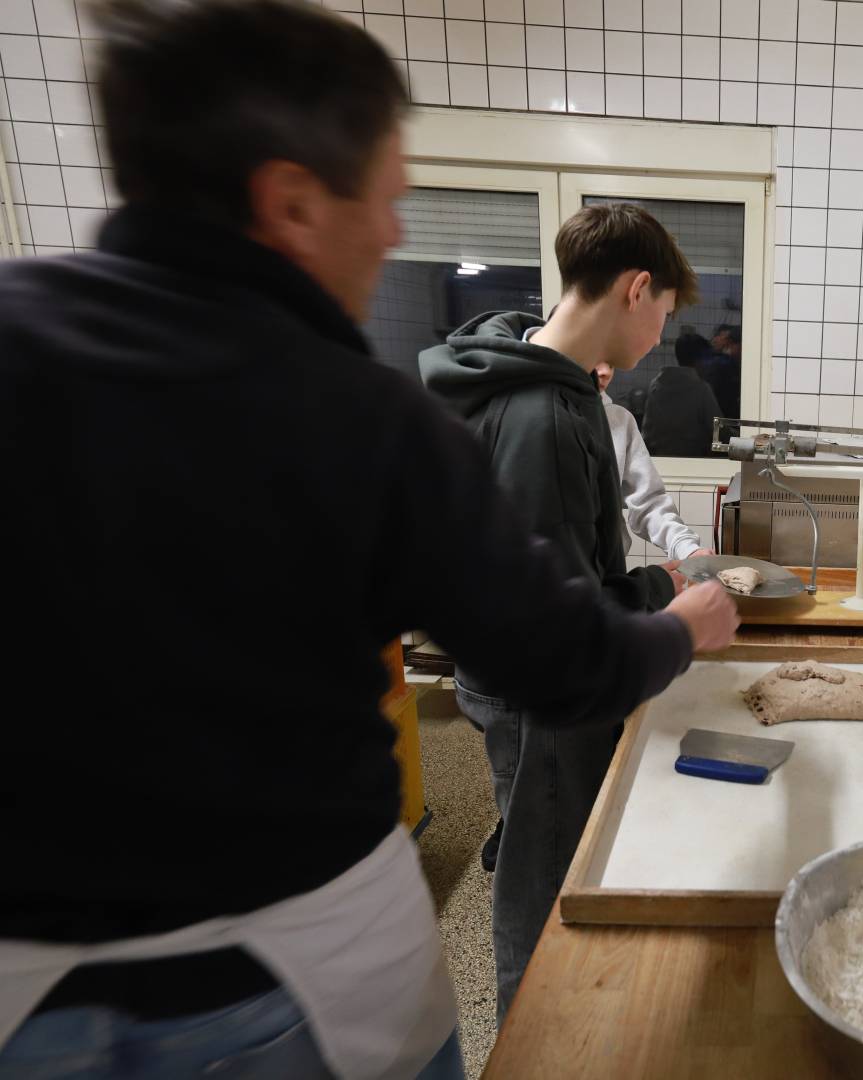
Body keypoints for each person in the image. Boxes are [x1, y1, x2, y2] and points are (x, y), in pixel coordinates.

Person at [0, 3, 738, 1077]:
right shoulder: (350, 411)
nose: (395, 234)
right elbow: (557, 654)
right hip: (293, 979)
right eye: (385, 199)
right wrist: (680, 624)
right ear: (290, 199)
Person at [417, 203, 704, 1020]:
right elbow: (558, 619)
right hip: (541, 701)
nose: (658, 337)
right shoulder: (542, 416)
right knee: (540, 900)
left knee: (549, 859)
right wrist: (669, 598)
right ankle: (531, 1040)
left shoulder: (541, 380)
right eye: (664, 315)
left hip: (516, 680)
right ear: (637, 289)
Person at [594, 362, 714, 563]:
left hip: (606, 577)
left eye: (612, 363)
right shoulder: (533, 408)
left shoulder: (619, 420)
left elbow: (647, 502)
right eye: (596, 357)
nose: (605, 372)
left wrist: (686, 548)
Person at [641, 331, 725, 457]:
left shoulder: (656, 385)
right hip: (692, 462)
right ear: (700, 361)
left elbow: (647, 432)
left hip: (660, 460)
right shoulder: (701, 389)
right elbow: (718, 431)